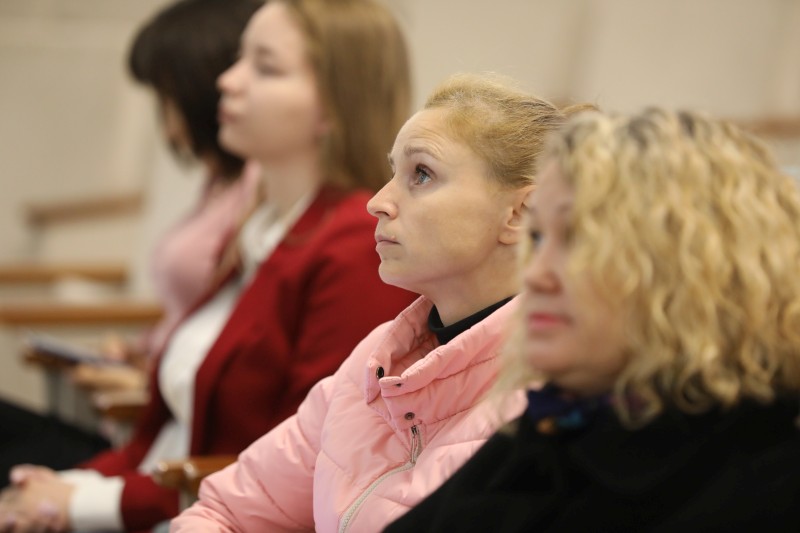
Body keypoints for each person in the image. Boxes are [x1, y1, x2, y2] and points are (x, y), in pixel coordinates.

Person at [0, 0, 416, 530]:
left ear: (335, 103)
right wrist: (64, 487)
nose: (228, 81)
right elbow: (160, 438)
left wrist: (80, 502)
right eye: (238, 59)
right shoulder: (263, 225)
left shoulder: (354, 245)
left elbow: (302, 468)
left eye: (265, 67)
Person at [170, 73, 592, 532]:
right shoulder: (375, 361)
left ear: (520, 214)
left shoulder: (555, 403)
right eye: (393, 173)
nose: (377, 202)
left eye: (421, 174)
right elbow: (223, 511)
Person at [383, 108, 800, 532]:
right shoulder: (558, 423)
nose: (536, 274)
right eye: (539, 239)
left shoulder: (764, 480)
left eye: (582, 243)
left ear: (693, 266)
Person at [0, 0, 262, 485]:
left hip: (169, 441)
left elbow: (236, 358)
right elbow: (196, 322)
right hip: (152, 415)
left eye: (166, 97)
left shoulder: (260, 195)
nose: (166, 120)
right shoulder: (217, 183)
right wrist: (139, 353)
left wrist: (146, 381)